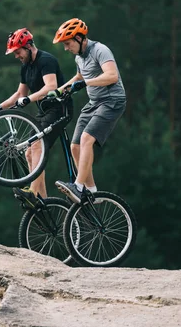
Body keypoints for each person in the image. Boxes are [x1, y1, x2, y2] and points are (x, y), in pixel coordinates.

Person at [0, 28, 73, 208]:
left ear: (27, 46)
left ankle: (33, 193)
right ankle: (41, 199)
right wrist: (0, 107)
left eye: (17, 52)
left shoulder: (46, 60)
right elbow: (20, 93)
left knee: (37, 146)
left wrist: (28, 99)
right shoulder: (26, 67)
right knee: (29, 151)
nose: (16, 56)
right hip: (44, 113)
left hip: (59, 110)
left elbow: (51, 86)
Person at [49, 18, 126, 204]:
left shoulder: (100, 50)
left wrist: (85, 83)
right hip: (94, 102)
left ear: (79, 38)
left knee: (86, 139)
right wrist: (61, 89)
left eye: (68, 43)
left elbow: (112, 76)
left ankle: (79, 185)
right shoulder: (79, 57)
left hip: (112, 101)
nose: (66, 48)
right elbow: (79, 76)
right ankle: (91, 191)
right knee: (75, 146)